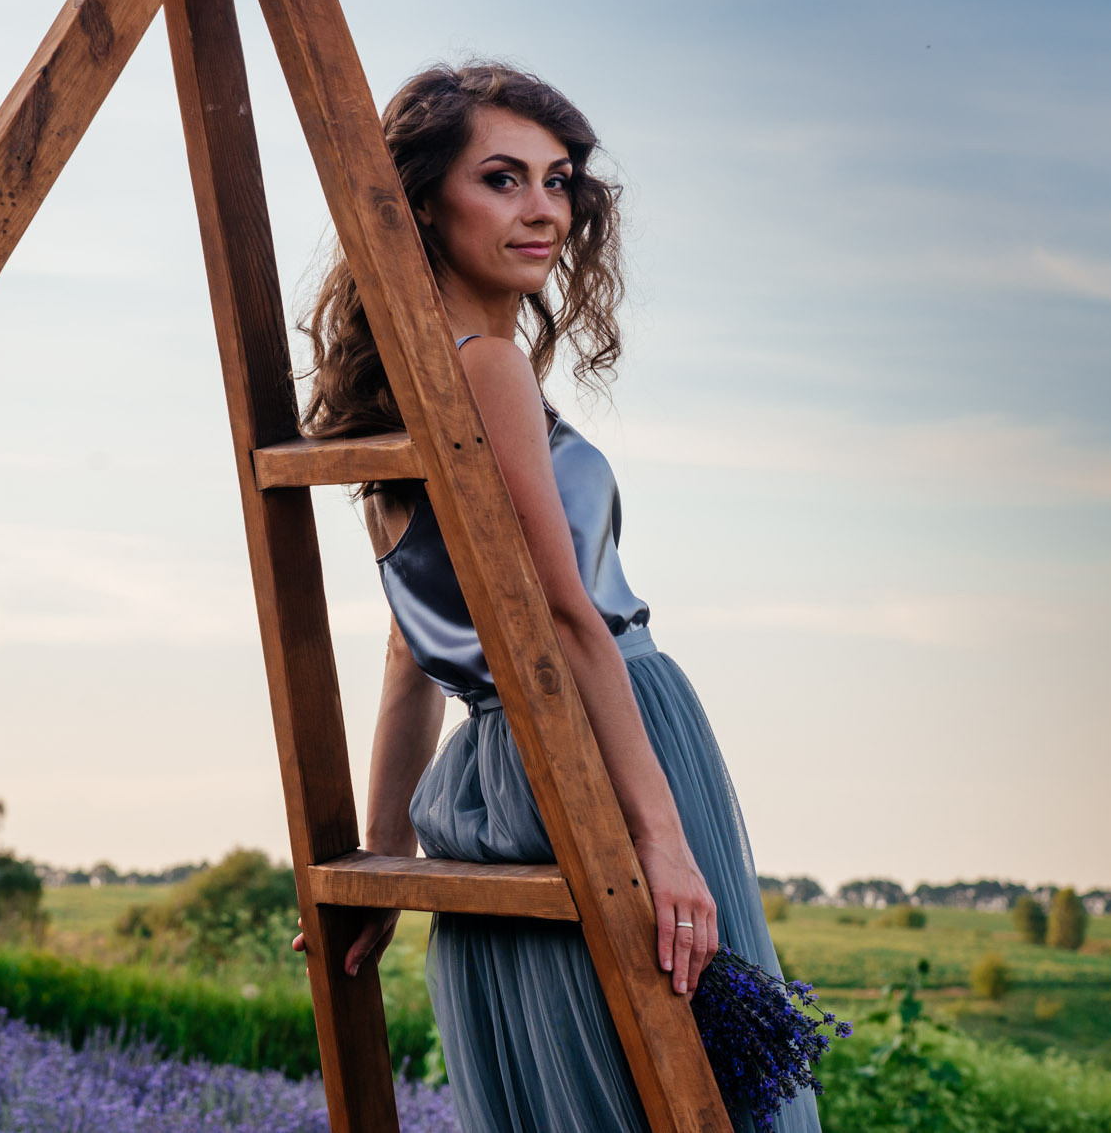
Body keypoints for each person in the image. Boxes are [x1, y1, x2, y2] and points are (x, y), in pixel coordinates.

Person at [288, 62, 819, 1133]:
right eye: (502, 178)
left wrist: (389, 855)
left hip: (488, 777)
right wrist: (662, 838)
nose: (543, 209)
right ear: (424, 201)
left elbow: (411, 650)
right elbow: (567, 617)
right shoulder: (484, 368)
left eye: (558, 178)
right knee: (690, 1093)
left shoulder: (394, 382)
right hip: (609, 735)